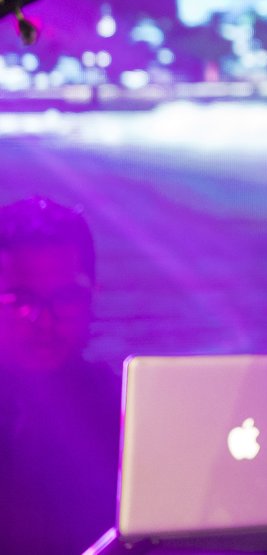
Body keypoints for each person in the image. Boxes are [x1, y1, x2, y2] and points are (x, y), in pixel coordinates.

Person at [0, 196, 120, 555]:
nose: (45, 321)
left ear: (92, 297)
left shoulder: (125, 411)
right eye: (21, 300)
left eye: (66, 298)